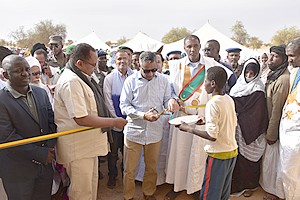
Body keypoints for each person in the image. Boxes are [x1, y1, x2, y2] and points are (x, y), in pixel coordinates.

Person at [54, 43, 127, 200]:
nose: (95, 68)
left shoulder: (82, 77)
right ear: (79, 63)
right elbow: (81, 118)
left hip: (88, 146)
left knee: (91, 188)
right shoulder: (71, 81)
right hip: (78, 149)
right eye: (93, 64)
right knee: (81, 193)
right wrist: (113, 122)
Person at [165, 35, 232, 200]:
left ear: (200, 46)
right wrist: (173, 98)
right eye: (189, 46)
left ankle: (195, 187)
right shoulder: (176, 65)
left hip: (203, 116)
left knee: (198, 155)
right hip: (182, 115)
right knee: (180, 152)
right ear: (184, 48)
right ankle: (178, 184)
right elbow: (171, 89)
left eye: (195, 46)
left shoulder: (212, 64)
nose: (192, 50)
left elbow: (228, 82)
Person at [120, 51, 177, 200]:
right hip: (134, 132)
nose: (151, 74)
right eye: (146, 71)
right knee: (129, 170)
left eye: (154, 70)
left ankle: (149, 193)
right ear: (139, 65)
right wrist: (142, 115)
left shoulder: (164, 80)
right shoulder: (130, 81)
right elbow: (124, 106)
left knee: (151, 167)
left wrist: (170, 102)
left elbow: (166, 100)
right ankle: (128, 196)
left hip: (154, 133)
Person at [0, 55, 57, 200]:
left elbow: (51, 123)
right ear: (6, 75)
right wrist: (41, 154)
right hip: (18, 172)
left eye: (27, 69)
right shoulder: (1, 100)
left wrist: (48, 149)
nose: (25, 73)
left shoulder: (41, 93)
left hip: (44, 167)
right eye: (18, 71)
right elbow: (7, 137)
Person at [177, 66, 238, 200]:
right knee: (223, 192)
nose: (204, 85)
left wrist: (189, 129)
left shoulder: (212, 103)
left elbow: (212, 136)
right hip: (232, 152)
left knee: (209, 193)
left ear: (213, 83)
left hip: (218, 154)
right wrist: (205, 122)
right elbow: (229, 122)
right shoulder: (228, 99)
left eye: (205, 81)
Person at [229, 58, 268, 197]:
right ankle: (237, 184)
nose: (249, 75)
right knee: (237, 159)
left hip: (251, 131)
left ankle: (250, 186)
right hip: (237, 129)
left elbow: (258, 113)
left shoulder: (258, 88)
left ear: (257, 73)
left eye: (253, 73)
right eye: (247, 72)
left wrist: (242, 117)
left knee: (250, 160)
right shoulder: (237, 86)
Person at [259, 45, 289, 200]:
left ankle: (275, 192)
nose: (270, 59)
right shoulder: (274, 75)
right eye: (270, 55)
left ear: (284, 59)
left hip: (275, 129)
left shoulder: (283, 79)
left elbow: (277, 109)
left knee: (275, 163)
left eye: (275, 56)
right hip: (268, 125)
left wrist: (271, 134)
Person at [103, 49, 134, 189]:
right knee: (113, 153)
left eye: (125, 58)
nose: (122, 61)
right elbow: (108, 101)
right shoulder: (109, 79)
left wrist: (129, 119)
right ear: (115, 61)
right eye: (119, 59)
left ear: (130, 60)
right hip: (115, 123)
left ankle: (125, 176)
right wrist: (116, 120)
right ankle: (112, 176)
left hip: (131, 122)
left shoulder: (135, 76)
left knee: (128, 153)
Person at [277, 37, 300, 199]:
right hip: (288, 131)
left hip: (297, 135)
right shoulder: (295, 72)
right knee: (286, 169)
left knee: (291, 172)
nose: (289, 60)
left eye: (292, 56)